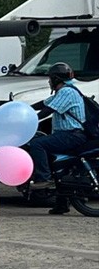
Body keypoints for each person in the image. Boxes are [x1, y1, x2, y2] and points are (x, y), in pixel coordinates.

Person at [28, 63, 89, 211]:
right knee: (59, 167)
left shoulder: (67, 92)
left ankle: (44, 179)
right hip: (67, 135)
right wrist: (24, 108)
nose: (49, 81)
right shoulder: (62, 92)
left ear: (56, 78)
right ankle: (61, 204)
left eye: (50, 78)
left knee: (37, 144)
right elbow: (43, 104)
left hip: (71, 135)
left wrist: (29, 121)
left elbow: (48, 110)